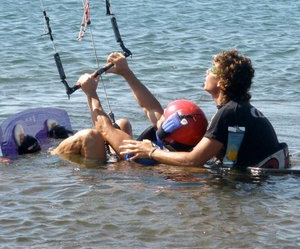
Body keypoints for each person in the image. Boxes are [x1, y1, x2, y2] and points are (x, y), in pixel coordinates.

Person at [52, 49, 290, 169]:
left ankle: (51, 154)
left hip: (238, 184)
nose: (207, 72)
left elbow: (193, 160)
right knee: (123, 123)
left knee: (96, 135)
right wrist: (126, 73)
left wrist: (90, 93)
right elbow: (154, 112)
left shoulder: (228, 113)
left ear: (223, 82)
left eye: (213, 71)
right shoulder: (239, 109)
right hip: (253, 182)